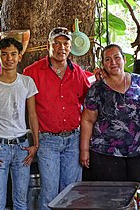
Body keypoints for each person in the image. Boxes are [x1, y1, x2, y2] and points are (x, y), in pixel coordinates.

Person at [23, 27, 90, 210]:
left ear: (70, 47)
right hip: (47, 141)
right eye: (57, 43)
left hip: (73, 139)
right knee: (50, 192)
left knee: (71, 192)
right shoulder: (32, 72)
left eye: (66, 44)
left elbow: (90, 102)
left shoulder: (78, 73)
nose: (62, 47)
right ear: (48, 46)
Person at [0, 38, 39, 210]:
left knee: (21, 201)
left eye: (13, 54)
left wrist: (36, 144)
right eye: (4, 54)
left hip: (22, 147)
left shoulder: (27, 82)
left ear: (20, 57)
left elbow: (33, 114)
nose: (9, 58)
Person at [80, 44, 140, 184]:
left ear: (124, 59)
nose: (113, 62)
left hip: (136, 151)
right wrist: (84, 150)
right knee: (109, 197)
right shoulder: (97, 89)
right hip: (105, 152)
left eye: (117, 57)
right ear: (103, 64)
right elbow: (87, 120)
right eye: (107, 59)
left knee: (136, 194)